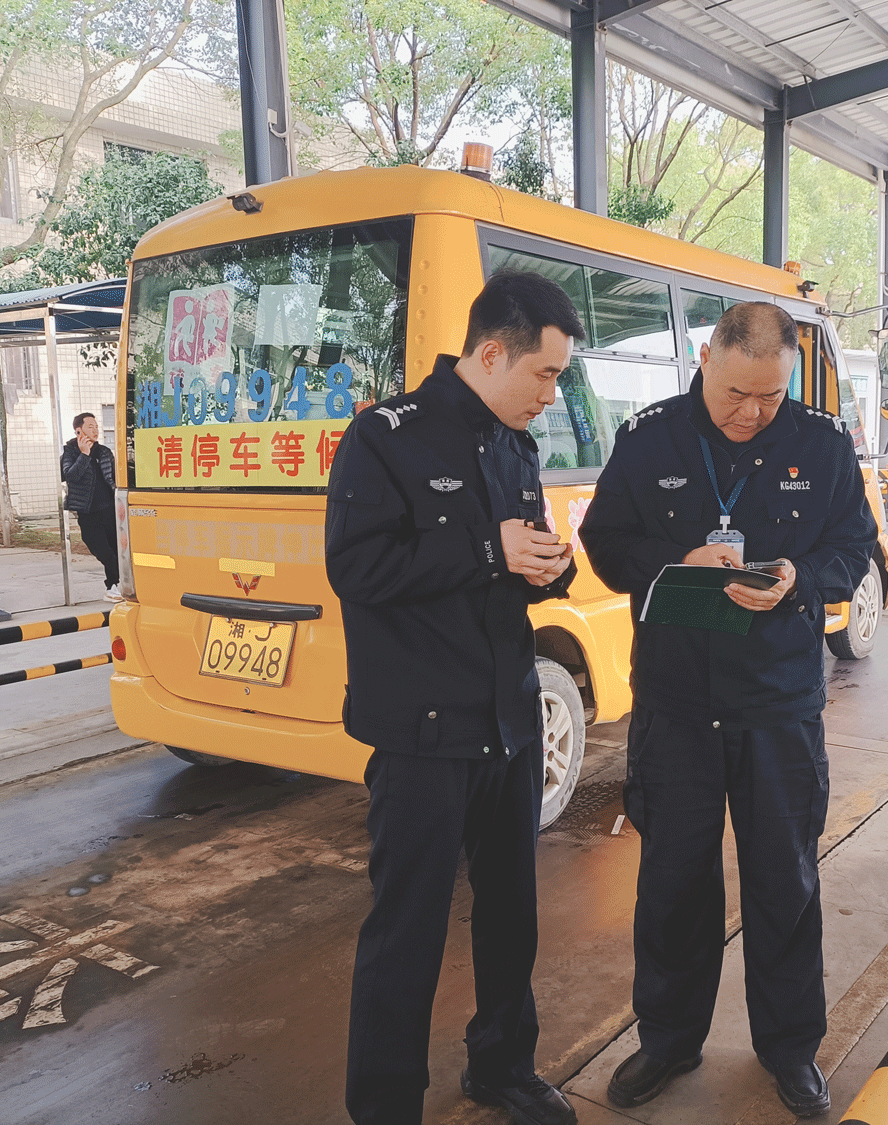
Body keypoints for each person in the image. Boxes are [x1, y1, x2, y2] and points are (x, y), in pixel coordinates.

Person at [579, 302, 878, 1119]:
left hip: (778, 707)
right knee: (673, 881)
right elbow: (604, 543)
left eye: (770, 397)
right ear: (706, 357)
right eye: (738, 392)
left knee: (785, 878)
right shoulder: (650, 440)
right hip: (677, 707)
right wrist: (674, 560)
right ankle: (668, 1041)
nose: (752, 413)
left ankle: (789, 1049)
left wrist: (800, 580)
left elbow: (855, 547)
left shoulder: (819, 444)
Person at [327, 272, 585, 1125]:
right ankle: (386, 1105)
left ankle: (504, 1066)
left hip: (507, 724)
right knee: (408, 932)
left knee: (512, 919)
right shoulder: (387, 436)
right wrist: (488, 548)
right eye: (544, 375)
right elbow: (357, 570)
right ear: (490, 351)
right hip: (422, 735)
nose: (551, 396)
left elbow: (522, 555)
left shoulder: (516, 446)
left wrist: (553, 565)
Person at [61, 412, 122, 601]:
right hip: (88, 512)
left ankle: (114, 586)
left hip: (109, 508)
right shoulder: (70, 451)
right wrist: (84, 455)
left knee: (115, 548)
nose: (95, 431)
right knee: (100, 549)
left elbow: (113, 477)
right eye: (90, 427)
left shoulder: (104, 451)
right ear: (78, 430)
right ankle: (124, 580)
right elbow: (70, 476)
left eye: (96, 427)